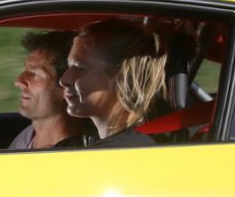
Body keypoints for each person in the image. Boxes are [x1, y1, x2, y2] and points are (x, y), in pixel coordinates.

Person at [59, 19, 169, 148]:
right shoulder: (135, 143)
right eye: (69, 66)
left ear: (121, 77)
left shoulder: (118, 153)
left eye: (80, 68)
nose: (63, 80)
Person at [8, 30, 89, 150]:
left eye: (34, 73)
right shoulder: (26, 137)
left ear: (67, 86)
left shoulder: (80, 153)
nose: (18, 82)